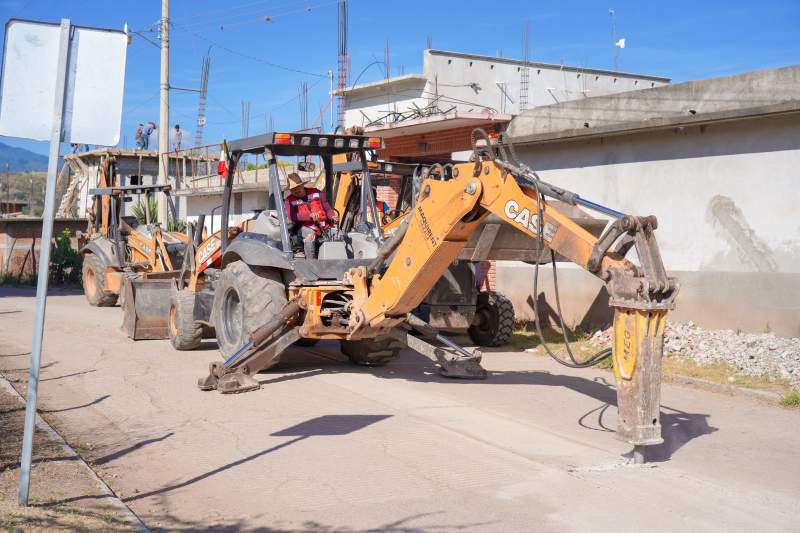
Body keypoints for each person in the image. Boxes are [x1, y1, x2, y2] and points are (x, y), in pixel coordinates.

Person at [283, 172, 338, 259]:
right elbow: (292, 216)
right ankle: (311, 262)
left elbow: (327, 209)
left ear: (302, 185)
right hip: (306, 226)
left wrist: (332, 216)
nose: (296, 191)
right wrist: (309, 216)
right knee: (310, 236)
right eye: (293, 189)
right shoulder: (289, 201)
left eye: (297, 187)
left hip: (324, 225)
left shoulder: (317, 192)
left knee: (338, 235)